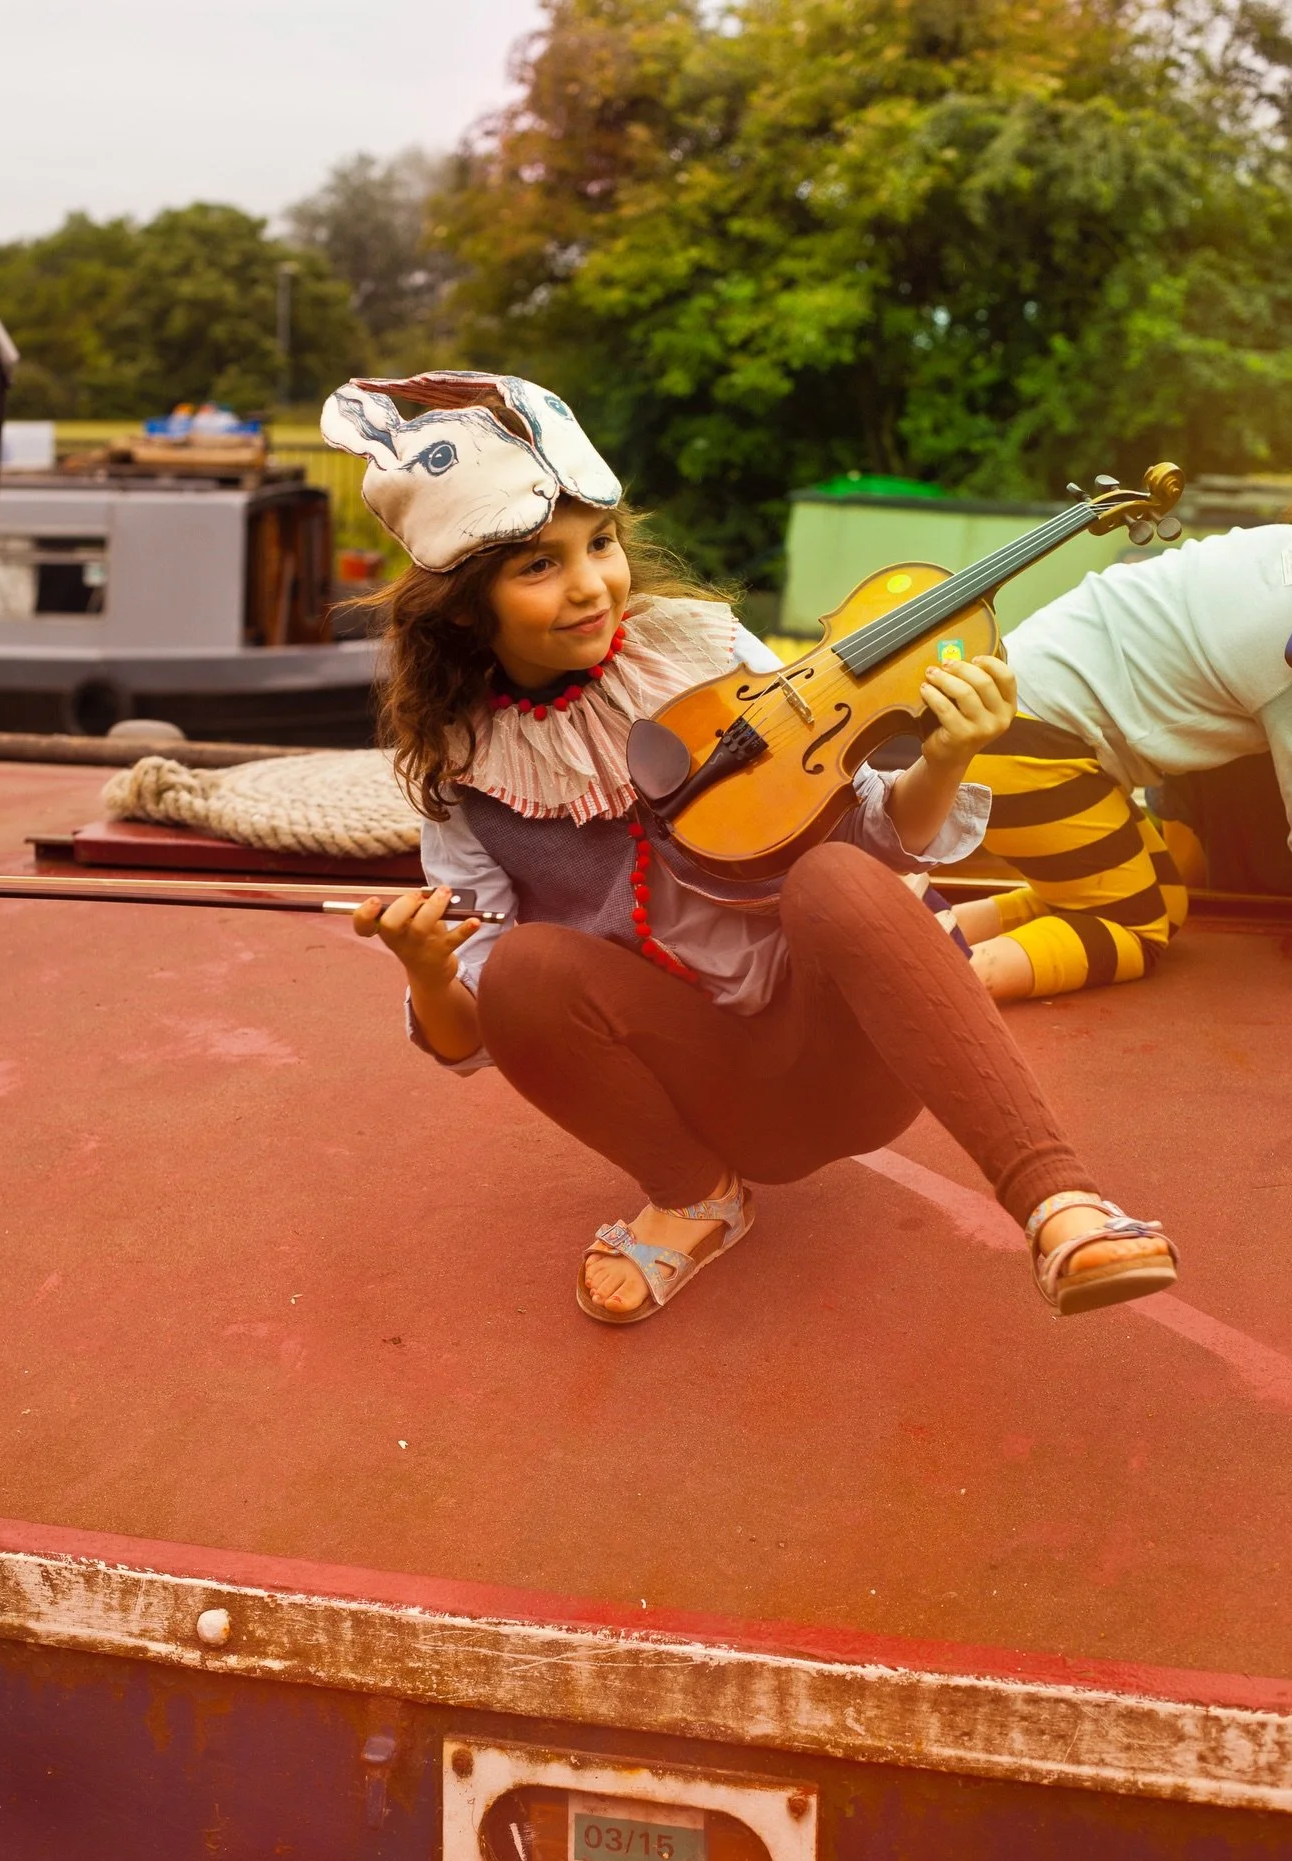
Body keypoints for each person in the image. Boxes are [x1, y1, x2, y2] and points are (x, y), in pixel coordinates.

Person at [325, 370, 1176, 1321]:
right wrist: (431, 971)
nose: (591, 585)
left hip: (840, 1056)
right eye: (538, 566)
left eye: (600, 544)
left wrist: (947, 754)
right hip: (700, 1088)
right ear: (457, 610)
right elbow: (478, 1031)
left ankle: (1060, 1202)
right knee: (521, 966)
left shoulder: (707, 649)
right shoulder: (460, 765)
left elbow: (881, 831)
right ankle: (697, 1197)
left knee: (836, 874)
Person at [955, 522, 1292, 999]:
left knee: (1163, 899)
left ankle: (939, 930)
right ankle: (938, 983)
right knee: (1134, 930)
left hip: (1018, 716)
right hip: (1027, 740)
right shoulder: (1289, 645)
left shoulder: (1281, 548)